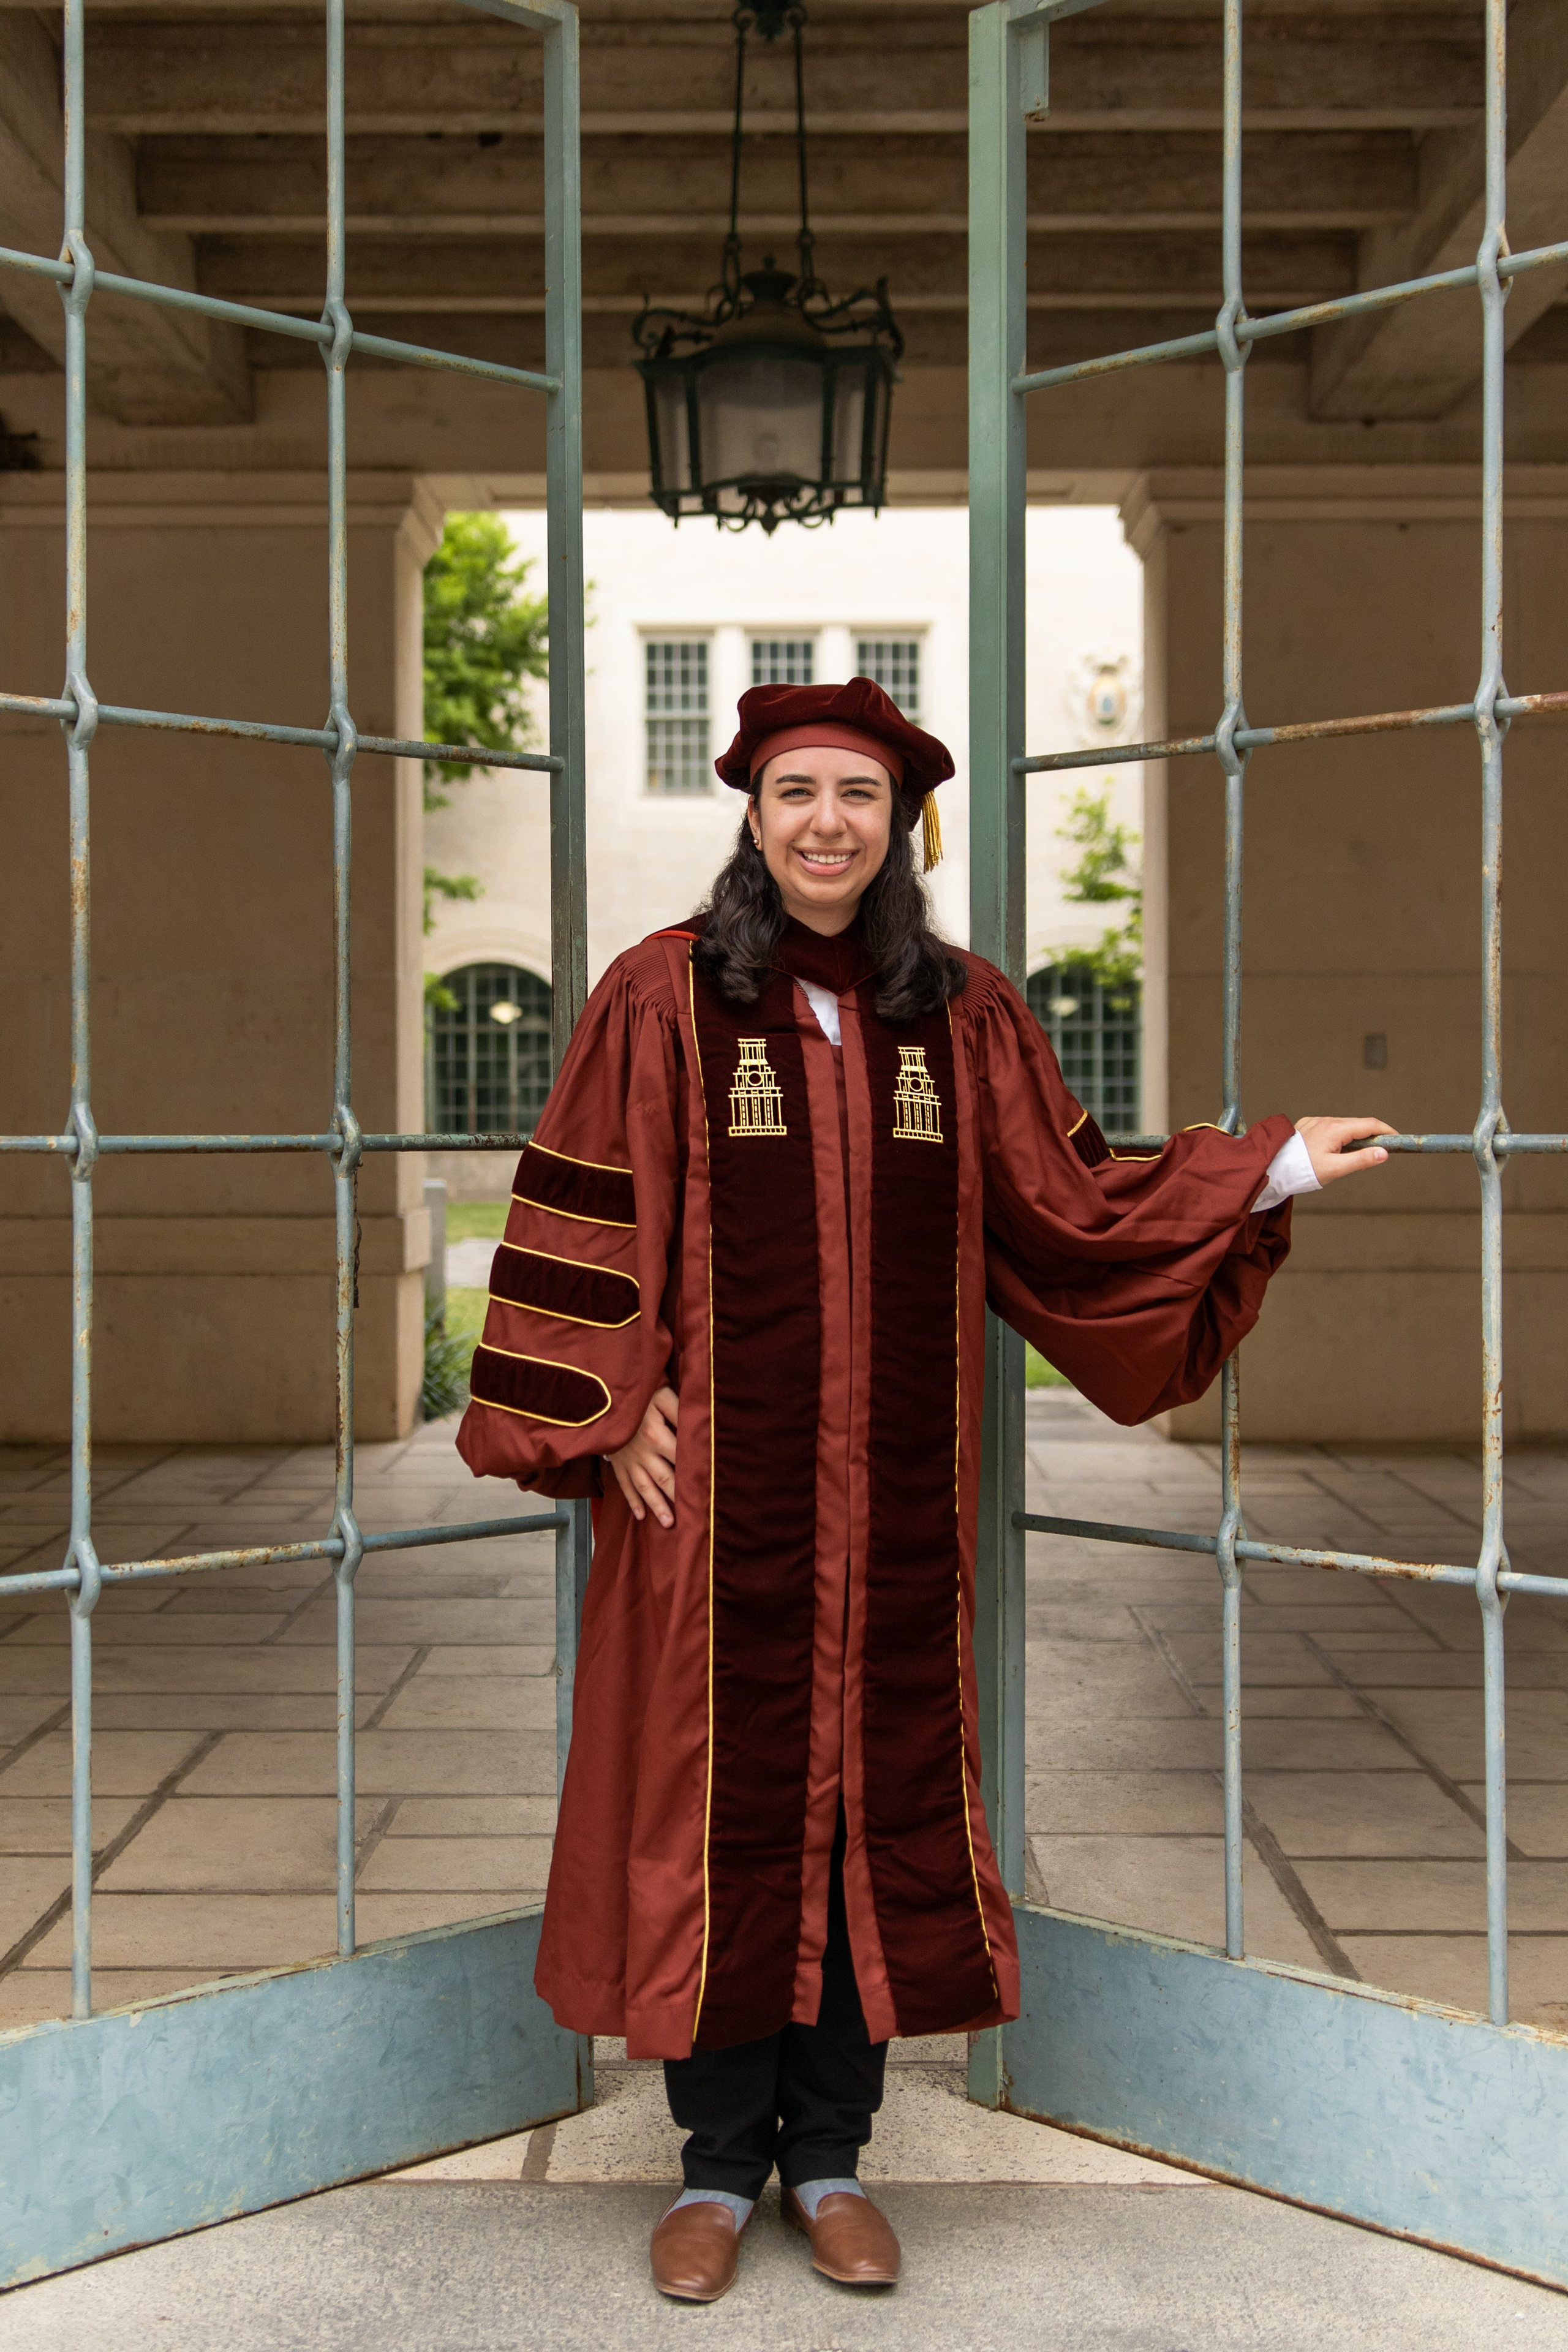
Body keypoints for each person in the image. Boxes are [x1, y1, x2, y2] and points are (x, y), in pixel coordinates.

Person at [456, 677, 1392, 2303]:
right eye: (797, 793)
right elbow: (585, 1218)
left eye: (861, 799)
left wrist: (1270, 1166)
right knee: (719, 1818)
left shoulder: (959, 1013)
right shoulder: (658, 999)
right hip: (712, 1519)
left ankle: (829, 2160)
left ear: (903, 828)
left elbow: (1069, 1201)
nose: (828, 822)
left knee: (858, 1821)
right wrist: (608, 1413)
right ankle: (709, 2166)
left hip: (892, 1512)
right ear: (751, 815)